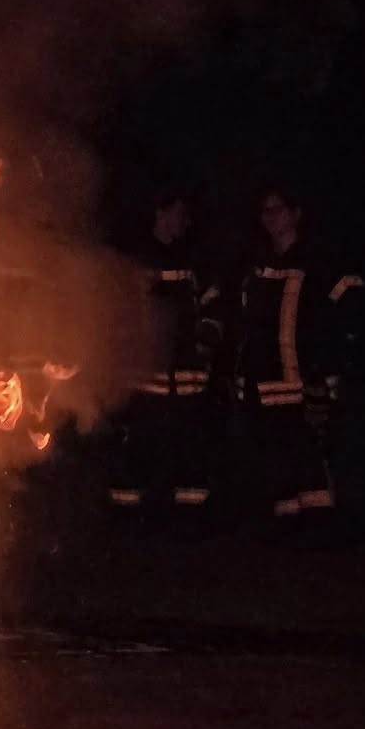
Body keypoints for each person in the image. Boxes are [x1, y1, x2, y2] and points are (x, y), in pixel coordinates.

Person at [235, 187, 365, 527]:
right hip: (267, 380)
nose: (270, 217)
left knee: (311, 450)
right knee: (277, 452)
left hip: (308, 376)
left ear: (296, 214)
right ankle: (287, 524)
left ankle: (323, 524)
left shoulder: (318, 260)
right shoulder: (258, 268)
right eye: (265, 211)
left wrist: (338, 355)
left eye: (277, 209)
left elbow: (355, 306)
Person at [107, 192, 223, 517]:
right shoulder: (135, 260)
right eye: (178, 213)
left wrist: (206, 343)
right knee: (138, 447)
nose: (183, 222)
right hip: (145, 377)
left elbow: (213, 309)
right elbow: (116, 313)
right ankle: (131, 515)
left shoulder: (196, 260)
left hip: (189, 376)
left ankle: (190, 516)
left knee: (189, 447)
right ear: (161, 212)